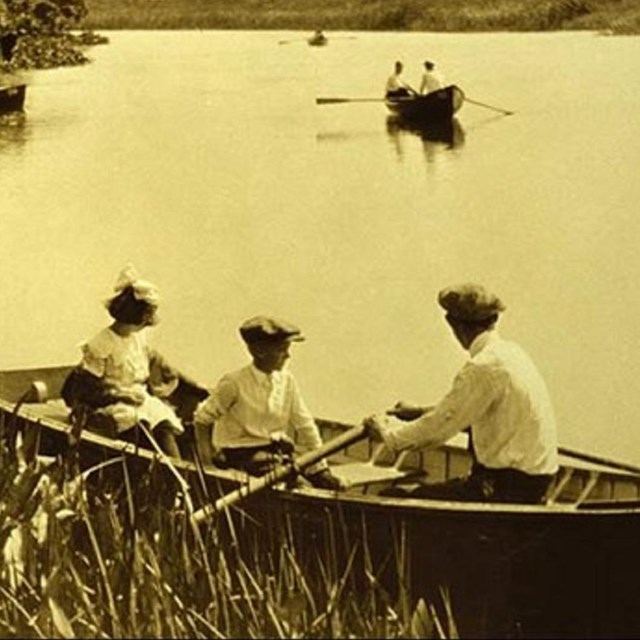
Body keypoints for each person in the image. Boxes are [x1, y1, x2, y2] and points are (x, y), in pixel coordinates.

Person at [363, 283, 558, 505]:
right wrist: (417, 412)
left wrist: (386, 434)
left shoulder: (482, 367)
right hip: (537, 484)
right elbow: (463, 412)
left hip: (505, 489)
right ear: (494, 320)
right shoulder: (512, 353)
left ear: (454, 325)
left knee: (394, 498)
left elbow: (437, 429)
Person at [193, 316, 345, 490]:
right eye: (282, 349)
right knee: (301, 486)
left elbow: (305, 426)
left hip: (276, 452)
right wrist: (207, 465)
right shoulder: (234, 383)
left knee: (330, 485)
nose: (288, 356)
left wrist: (321, 467)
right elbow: (201, 419)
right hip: (241, 455)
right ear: (260, 352)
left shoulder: (287, 381)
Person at [61, 264, 184, 458]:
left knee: (163, 424)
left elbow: (152, 359)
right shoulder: (101, 344)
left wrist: (174, 377)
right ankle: (150, 475)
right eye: (147, 317)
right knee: (140, 427)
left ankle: (179, 473)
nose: (148, 323)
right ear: (138, 316)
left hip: (138, 400)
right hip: (108, 405)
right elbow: (83, 390)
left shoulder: (138, 338)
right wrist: (120, 395)